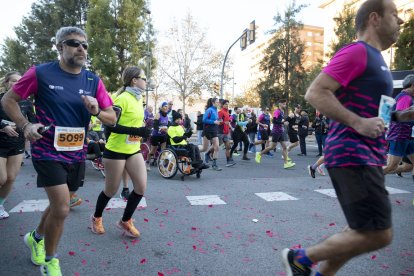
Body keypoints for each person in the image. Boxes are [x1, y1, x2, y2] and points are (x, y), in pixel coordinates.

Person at [281, 1, 403, 275]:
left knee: (357, 232)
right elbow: (315, 92)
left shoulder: (376, 59)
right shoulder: (358, 52)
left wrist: (398, 117)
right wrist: (358, 123)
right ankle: (299, 257)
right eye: (395, 15)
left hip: (365, 154)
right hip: (352, 152)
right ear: (374, 18)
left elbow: (374, 110)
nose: (401, 22)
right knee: (378, 234)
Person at [1, 26, 117, 275]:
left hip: (76, 152)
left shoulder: (92, 80)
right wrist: (25, 125)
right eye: (74, 43)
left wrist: (96, 110)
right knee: (63, 208)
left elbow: (111, 119)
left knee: (58, 205)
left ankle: (36, 237)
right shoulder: (40, 73)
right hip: (46, 150)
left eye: (85, 45)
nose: (81, 48)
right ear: (60, 47)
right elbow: (8, 100)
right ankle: (50, 261)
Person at [91, 66, 150, 239]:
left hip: (133, 150)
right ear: (134, 80)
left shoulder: (138, 98)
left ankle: (126, 220)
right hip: (115, 150)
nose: (146, 81)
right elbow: (110, 124)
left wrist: (143, 128)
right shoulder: (122, 98)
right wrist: (138, 132)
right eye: (144, 78)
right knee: (111, 190)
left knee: (140, 187)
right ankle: (96, 217)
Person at [0, 71, 35, 219]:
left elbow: (33, 120)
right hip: (0, 143)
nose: (16, 83)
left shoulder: (26, 102)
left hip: (17, 143)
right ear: (7, 83)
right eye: (13, 81)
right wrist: (2, 125)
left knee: (11, 178)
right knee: (1, 178)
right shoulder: (2, 98)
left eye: (19, 81)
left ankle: (0, 204)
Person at [383, 74, 414, 177]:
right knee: (391, 166)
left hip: (407, 136)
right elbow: (400, 116)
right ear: (413, 85)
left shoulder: (407, 97)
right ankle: (368, 177)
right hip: (399, 136)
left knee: (408, 166)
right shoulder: (405, 97)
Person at [255, 100, 295, 169]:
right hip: (276, 132)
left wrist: (286, 120)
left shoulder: (282, 112)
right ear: (280, 104)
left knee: (284, 147)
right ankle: (259, 154)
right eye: (284, 104)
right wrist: (283, 123)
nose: (285, 105)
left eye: (285, 104)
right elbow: (274, 120)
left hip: (280, 131)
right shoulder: (277, 111)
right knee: (272, 147)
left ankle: (286, 164)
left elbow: (281, 121)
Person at [199, 98, 222, 171]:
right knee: (204, 148)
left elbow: (216, 120)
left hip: (214, 131)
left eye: (219, 102)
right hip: (207, 131)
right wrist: (214, 122)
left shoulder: (216, 110)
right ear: (213, 102)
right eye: (217, 102)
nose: (218, 103)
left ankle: (214, 165)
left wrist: (219, 121)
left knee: (217, 147)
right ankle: (194, 151)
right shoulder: (209, 110)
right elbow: (204, 120)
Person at [147, 102, 169, 170]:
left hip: (163, 135)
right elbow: (155, 125)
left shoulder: (167, 116)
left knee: (163, 151)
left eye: (167, 106)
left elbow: (167, 125)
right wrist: (160, 129)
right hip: (156, 135)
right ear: (161, 107)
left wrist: (167, 128)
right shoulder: (158, 114)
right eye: (165, 106)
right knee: (153, 151)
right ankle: (147, 163)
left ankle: (162, 164)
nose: (166, 107)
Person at [217, 99, 236, 167]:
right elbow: (218, 122)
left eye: (228, 104)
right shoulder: (220, 112)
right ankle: (207, 153)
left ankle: (228, 161)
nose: (227, 105)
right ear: (222, 105)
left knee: (228, 147)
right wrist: (224, 122)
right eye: (225, 104)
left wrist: (229, 121)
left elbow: (227, 121)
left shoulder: (227, 112)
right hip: (220, 132)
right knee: (216, 146)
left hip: (226, 132)